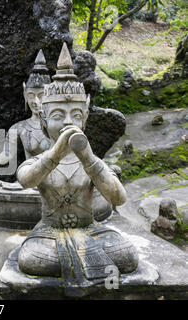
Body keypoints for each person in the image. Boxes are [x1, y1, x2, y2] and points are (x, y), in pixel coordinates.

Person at [14, 43, 138, 292]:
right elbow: (26, 179)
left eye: (76, 115)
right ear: (45, 119)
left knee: (127, 255)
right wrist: (56, 153)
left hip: (89, 229)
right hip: (49, 232)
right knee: (32, 259)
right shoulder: (40, 159)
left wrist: (89, 158)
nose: (68, 122)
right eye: (59, 115)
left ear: (85, 118)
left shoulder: (90, 160)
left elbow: (118, 197)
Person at [0, 50, 50, 176]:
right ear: (25, 95)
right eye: (31, 95)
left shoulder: (56, 125)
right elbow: (6, 155)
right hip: (30, 178)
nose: (36, 101)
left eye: (41, 95)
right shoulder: (20, 127)